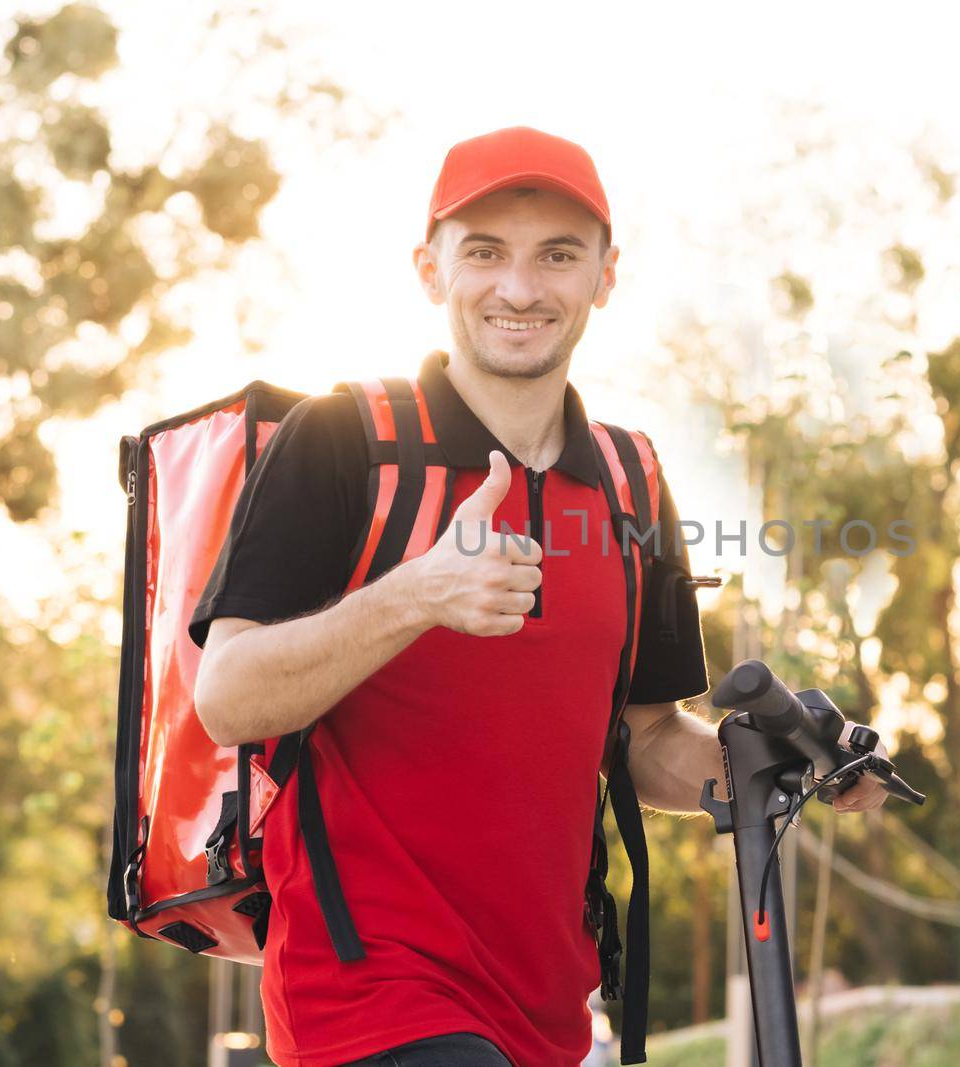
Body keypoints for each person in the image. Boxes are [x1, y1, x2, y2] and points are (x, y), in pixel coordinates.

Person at [188, 126, 889, 1067]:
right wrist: (419, 595)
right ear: (429, 269)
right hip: (367, 997)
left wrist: (767, 765)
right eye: (485, 252)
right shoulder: (343, 439)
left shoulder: (632, 480)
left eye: (557, 255)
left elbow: (646, 740)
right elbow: (227, 693)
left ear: (604, 275)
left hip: (554, 1011)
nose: (519, 288)